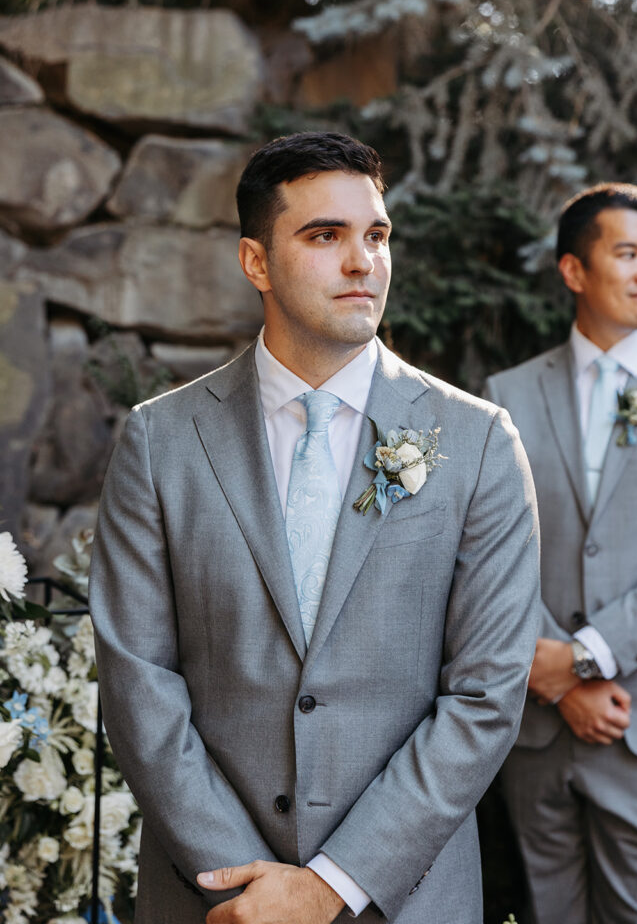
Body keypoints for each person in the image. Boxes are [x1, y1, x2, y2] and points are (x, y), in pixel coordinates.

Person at [89, 131, 540, 924]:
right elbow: (137, 680)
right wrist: (241, 882)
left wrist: (332, 884)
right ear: (255, 262)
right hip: (213, 901)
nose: (362, 261)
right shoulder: (160, 440)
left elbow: (484, 693)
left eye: (375, 234)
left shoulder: (476, 443)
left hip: (405, 898)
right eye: (324, 235)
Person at [484, 182, 637, 924]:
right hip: (535, 722)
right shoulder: (503, 395)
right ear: (573, 270)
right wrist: (554, 678)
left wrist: (588, 658)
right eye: (626, 253)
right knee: (546, 912)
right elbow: (489, 550)